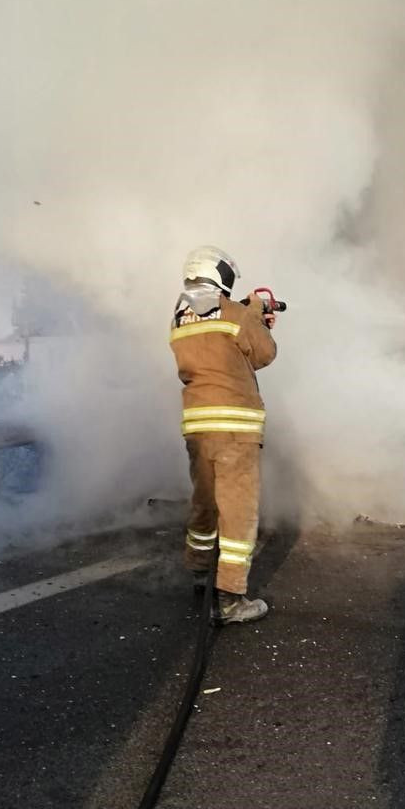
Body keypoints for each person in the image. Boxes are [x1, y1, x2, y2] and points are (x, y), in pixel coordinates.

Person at [170, 246, 278, 624]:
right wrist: (257, 318)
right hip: (235, 429)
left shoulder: (179, 319)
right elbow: (264, 354)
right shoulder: (234, 315)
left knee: (205, 504)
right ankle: (231, 600)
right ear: (220, 276)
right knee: (238, 513)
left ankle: (201, 577)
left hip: (198, 428)